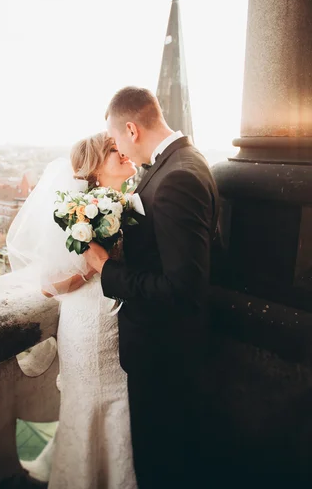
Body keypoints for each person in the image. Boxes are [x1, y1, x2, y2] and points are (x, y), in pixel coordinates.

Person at [84, 87, 220, 488]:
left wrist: (108, 270)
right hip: (173, 349)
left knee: (161, 463)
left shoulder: (176, 177)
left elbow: (181, 287)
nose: (121, 148)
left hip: (164, 353)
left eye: (117, 138)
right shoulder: (188, 160)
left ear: (131, 129)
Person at [7, 132, 138, 489]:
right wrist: (91, 266)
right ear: (94, 168)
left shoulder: (129, 202)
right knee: (93, 400)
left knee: (121, 403)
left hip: (123, 321)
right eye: (114, 150)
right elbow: (48, 285)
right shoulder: (79, 211)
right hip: (89, 323)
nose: (123, 152)